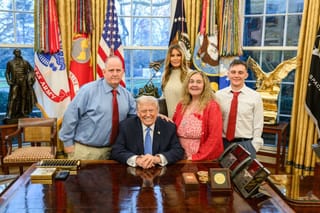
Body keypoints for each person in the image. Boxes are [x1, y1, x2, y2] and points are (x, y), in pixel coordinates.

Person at [59, 56, 136, 160]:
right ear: (104, 72)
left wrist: (158, 115)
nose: (115, 74)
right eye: (111, 70)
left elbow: (136, 116)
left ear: (122, 72)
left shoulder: (126, 95)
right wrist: (67, 143)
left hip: (114, 152)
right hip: (86, 151)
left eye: (118, 70)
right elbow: (70, 116)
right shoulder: (88, 91)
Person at [111, 95, 184, 169]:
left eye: (151, 110)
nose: (148, 115)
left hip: (161, 172)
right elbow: (116, 151)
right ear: (138, 113)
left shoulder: (168, 127)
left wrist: (157, 159)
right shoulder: (126, 126)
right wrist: (137, 160)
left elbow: (178, 151)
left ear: (157, 111)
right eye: (144, 111)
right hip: (134, 172)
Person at [216, 59, 264, 159]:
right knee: (222, 174)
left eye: (240, 72)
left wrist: (254, 146)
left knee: (244, 175)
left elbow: (258, 124)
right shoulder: (218, 95)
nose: (236, 75)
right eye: (233, 72)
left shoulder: (255, 96)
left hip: (246, 145)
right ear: (228, 74)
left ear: (246, 75)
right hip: (222, 144)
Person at [172, 70, 224, 161]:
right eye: (191, 82)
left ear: (205, 86)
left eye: (199, 82)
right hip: (180, 157)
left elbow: (214, 137)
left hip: (202, 158)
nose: (194, 85)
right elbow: (172, 128)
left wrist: (197, 157)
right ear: (187, 85)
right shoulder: (181, 105)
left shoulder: (212, 106)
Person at [5, 48, 37, 120]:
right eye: (16, 52)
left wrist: (30, 78)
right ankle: (9, 114)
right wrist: (8, 81)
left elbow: (32, 71)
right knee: (13, 97)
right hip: (15, 82)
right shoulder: (10, 63)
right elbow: (7, 72)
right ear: (14, 53)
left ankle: (22, 112)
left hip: (24, 82)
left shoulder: (25, 62)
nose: (18, 53)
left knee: (23, 97)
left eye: (19, 52)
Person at [161, 44, 190, 118]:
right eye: (172, 55)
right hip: (170, 120)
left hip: (187, 119)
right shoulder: (165, 75)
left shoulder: (190, 74)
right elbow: (164, 98)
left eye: (178, 55)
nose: (175, 58)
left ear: (182, 57)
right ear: (169, 58)